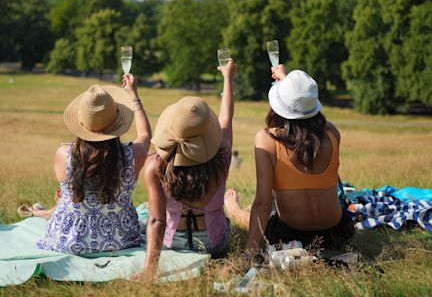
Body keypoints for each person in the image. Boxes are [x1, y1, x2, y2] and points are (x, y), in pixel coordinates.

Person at [225, 65, 354, 253]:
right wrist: (289, 84)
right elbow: (304, 111)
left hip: (292, 236)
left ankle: (236, 211)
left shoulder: (267, 140)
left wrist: (249, 253)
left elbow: (262, 203)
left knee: (265, 210)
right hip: (337, 234)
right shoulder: (333, 133)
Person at [33, 73, 152, 255]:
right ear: (117, 122)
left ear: (81, 123)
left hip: (69, 239)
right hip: (120, 239)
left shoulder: (64, 154)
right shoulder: (132, 155)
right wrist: (134, 95)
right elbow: (145, 136)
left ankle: (41, 213)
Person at [139, 59, 236, 279]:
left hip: (172, 243)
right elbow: (226, 118)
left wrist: (149, 271)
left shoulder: (154, 165)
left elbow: (157, 221)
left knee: (144, 215)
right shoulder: (222, 155)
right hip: (214, 244)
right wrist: (228, 79)